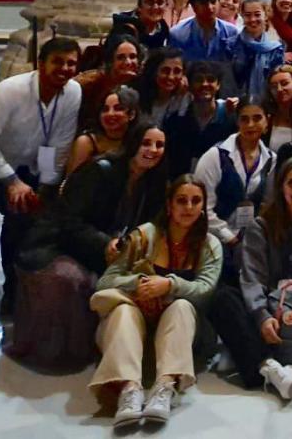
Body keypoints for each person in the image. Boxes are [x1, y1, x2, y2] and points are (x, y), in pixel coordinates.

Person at [11, 122, 169, 367]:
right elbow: (67, 221)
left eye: (159, 145)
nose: (153, 150)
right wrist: (105, 243)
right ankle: (65, 353)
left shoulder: (152, 182)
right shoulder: (100, 170)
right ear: (133, 144)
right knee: (73, 281)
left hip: (109, 250)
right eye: (146, 143)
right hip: (58, 244)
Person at [0, 36, 82, 311]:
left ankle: (37, 280)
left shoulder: (72, 92)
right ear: (41, 64)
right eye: (58, 62)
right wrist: (12, 182)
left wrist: (46, 188)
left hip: (22, 168)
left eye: (71, 63)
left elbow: (57, 145)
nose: (65, 69)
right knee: (20, 208)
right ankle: (13, 291)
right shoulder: (11, 90)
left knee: (48, 209)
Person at [88, 174, 223, 429]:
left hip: (180, 327)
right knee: (122, 311)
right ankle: (129, 390)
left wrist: (170, 285)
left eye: (196, 201)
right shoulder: (144, 236)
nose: (189, 207)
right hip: (136, 319)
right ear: (169, 205)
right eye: (181, 200)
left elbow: (206, 290)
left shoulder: (210, 244)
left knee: (182, 306)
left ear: (204, 207)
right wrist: (137, 282)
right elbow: (105, 282)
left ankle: (165, 386)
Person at [208, 158, 292, 400]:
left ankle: (264, 355)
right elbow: (252, 277)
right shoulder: (261, 226)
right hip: (271, 306)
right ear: (281, 186)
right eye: (291, 183)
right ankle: (268, 366)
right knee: (223, 300)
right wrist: (262, 316)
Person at [192, 97, 276, 275]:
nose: (250, 125)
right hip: (214, 238)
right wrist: (229, 238)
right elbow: (202, 208)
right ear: (237, 122)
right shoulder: (215, 156)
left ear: (267, 120)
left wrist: (254, 238)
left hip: (251, 239)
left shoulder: (271, 160)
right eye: (244, 119)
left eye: (257, 118)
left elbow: (268, 205)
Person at [68, 86, 140, 175]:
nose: (110, 114)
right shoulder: (86, 142)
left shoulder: (139, 141)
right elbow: (73, 180)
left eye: (118, 108)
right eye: (105, 109)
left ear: (132, 114)